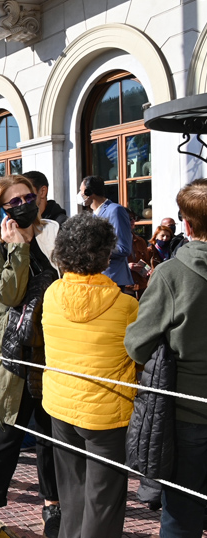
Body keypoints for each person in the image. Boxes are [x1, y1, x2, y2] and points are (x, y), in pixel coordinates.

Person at [0, 174, 61, 538]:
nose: (24, 205)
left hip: (51, 349)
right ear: (0, 209)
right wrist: (19, 247)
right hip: (12, 355)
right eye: (14, 202)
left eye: (27, 198)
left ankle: (52, 506)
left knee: (50, 436)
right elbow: (8, 294)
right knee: (3, 439)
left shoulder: (52, 230)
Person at [41, 213, 138, 538]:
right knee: (104, 502)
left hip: (60, 406)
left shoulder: (52, 295)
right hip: (105, 415)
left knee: (72, 496)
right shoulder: (125, 306)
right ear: (106, 255)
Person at [125, 179, 207, 538]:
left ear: (186, 225)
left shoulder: (172, 275)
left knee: (180, 513)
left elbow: (137, 345)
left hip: (189, 413)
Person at [80, 176, 133, 290]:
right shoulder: (94, 214)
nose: (80, 194)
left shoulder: (115, 210)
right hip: (96, 278)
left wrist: (93, 251)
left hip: (112, 278)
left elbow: (124, 247)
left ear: (89, 192)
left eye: (81, 191)